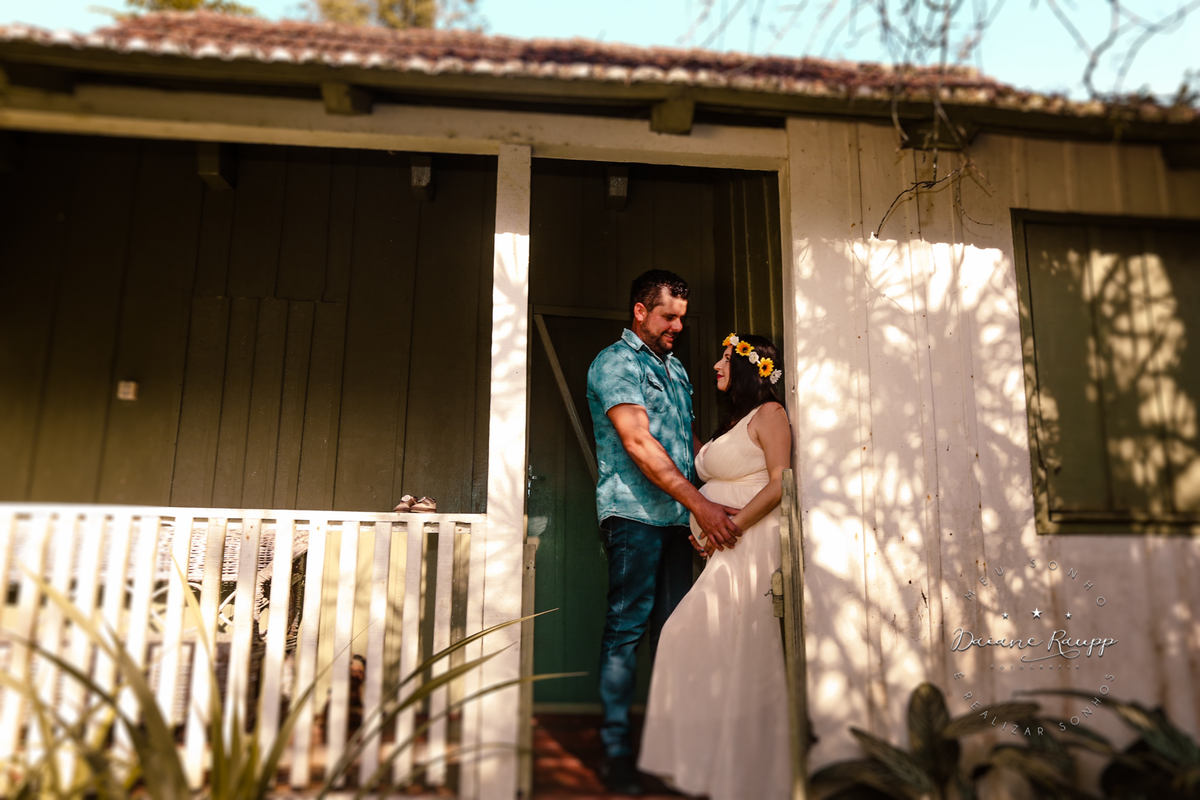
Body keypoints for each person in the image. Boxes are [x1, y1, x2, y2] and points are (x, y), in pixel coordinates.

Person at [586, 270, 743, 795]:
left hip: (678, 521)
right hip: (633, 516)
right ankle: (615, 755)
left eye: (681, 318)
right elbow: (640, 443)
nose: (677, 326)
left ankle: (674, 751)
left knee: (677, 634)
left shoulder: (674, 369)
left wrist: (703, 505)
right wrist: (703, 506)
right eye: (668, 316)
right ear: (639, 311)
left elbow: (685, 443)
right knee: (626, 632)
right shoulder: (615, 363)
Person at [638, 332, 793, 800]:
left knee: (694, 636)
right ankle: (709, 765)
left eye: (726, 357)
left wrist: (728, 528)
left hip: (749, 544)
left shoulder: (771, 414)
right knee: (715, 646)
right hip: (727, 548)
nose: (716, 365)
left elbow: (779, 483)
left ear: (749, 366)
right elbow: (707, 465)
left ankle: (742, 773)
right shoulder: (736, 423)